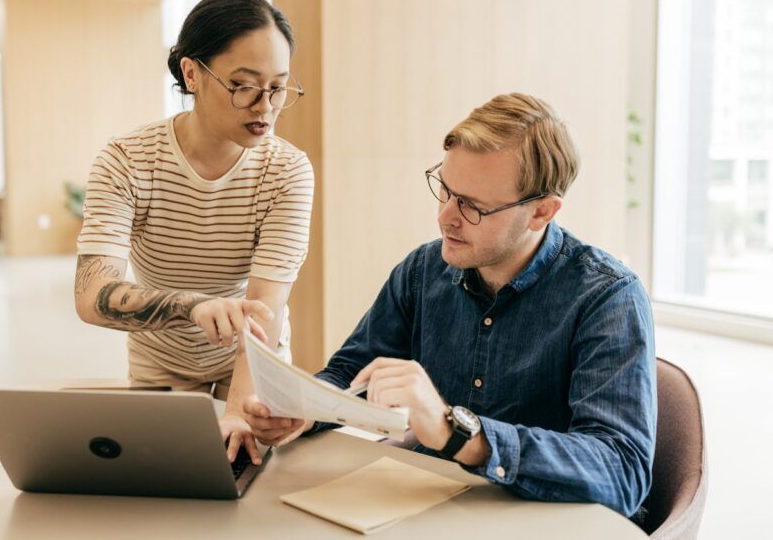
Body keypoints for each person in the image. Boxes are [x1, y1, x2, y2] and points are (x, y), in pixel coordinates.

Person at [244, 93, 656, 517]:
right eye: (445, 189)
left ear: (542, 212)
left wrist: (459, 434)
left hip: (540, 521)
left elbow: (621, 472)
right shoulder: (422, 271)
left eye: (473, 207)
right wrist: (302, 411)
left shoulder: (607, 297)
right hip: (429, 509)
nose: (446, 217)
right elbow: (350, 374)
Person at [74, 0, 314, 465]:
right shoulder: (127, 160)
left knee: (250, 479)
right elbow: (91, 296)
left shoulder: (287, 170)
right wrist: (193, 306)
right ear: (191, 72)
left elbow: (263, 310)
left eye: (279, 87)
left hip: (254, 364)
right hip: (160, 358)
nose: (264, 106)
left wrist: (243, 410)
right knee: (161, 479)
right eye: (243, 85)